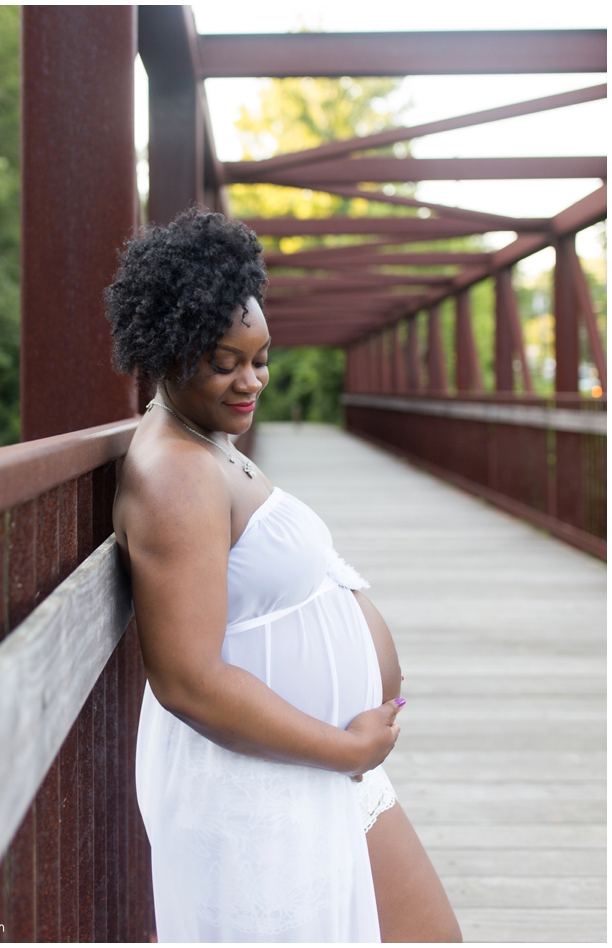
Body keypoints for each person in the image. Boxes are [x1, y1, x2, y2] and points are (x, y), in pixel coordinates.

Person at [107, 209, 462, 943]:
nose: (252, 382)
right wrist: (350, 749)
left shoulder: (201, 439)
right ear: (169, 350)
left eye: (261, 357)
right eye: (225, 362)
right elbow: (188, 681)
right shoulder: (176, 475)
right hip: (264, 784)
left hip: (308, 767)